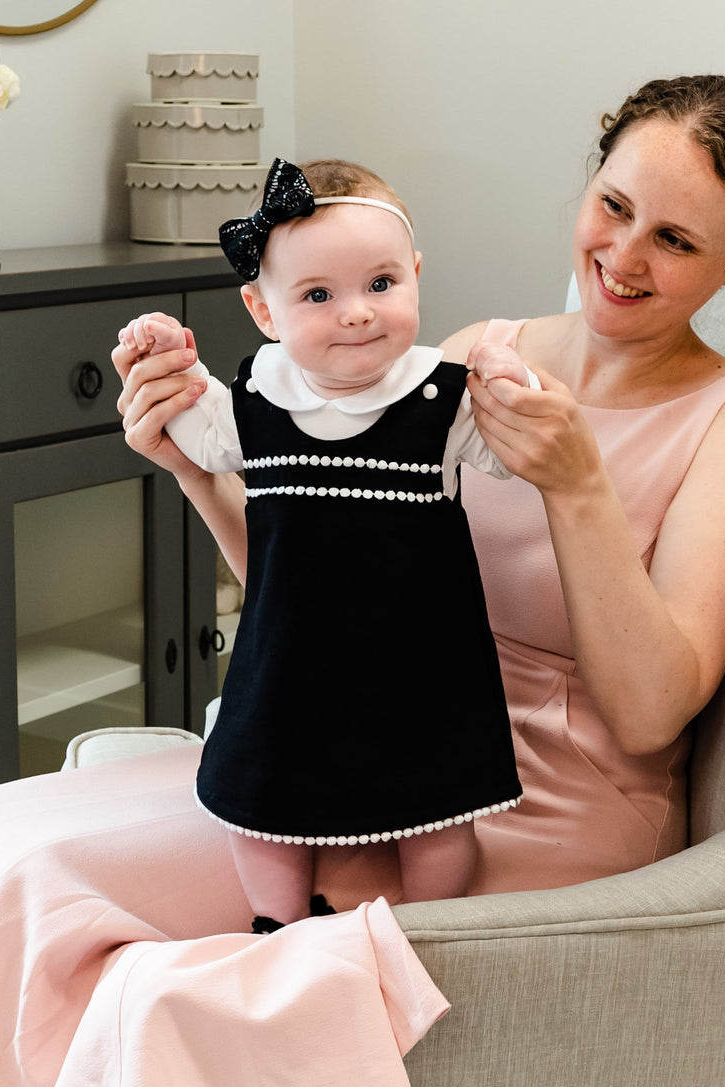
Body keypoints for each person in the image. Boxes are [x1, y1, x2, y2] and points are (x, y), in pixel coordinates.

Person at [0, 75, 725, 1087]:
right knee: (6, 855)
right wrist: (193, 469)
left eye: (675, 241)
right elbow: (308, 596)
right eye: (615, 206)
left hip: (531, 789)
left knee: (165, 997)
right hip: (343, 726)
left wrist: (577, 484)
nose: (623, 256)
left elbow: (649, 713)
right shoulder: (464, 359)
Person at [116, 157, 529, 931]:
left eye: (381, 285)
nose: (357, 314)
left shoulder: (441, 393)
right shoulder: (258, 398)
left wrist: (511, 382)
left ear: (414, 274)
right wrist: (161, 354)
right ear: (263, 310)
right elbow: (194, 436)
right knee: (261, 807)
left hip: (424, 661)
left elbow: (519, 450)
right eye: (317, 295)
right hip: (288, 661)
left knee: (440, 814)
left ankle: (437, 929)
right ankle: (277, 929)